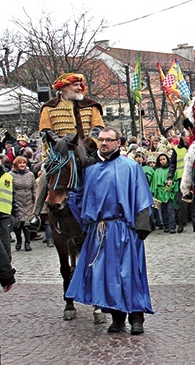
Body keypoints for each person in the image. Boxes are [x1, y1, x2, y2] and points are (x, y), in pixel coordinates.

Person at [65, 126, 154, 334]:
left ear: (118, 143)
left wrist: (142, 224)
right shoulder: (90, 170)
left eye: (108, 140)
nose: (104, 143)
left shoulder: (130, 167)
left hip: (124, 229)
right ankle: (117, 316)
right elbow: (78, 198)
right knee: (106, 275)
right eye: (101, 140)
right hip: (99, 232)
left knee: (129, 274)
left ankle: (136, 317)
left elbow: (142, 196)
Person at [28, 73, 104, 229]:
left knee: (106, 174)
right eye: (75, 84)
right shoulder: (49, 107)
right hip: (60, 153)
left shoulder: (92, 105)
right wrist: (60, 144)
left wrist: (88, 144)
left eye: (80, 84)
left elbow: (98, 128)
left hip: (88, 151)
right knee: (44, 177)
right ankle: (36, 215)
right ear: (63, 87)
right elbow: (46, 131)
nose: (79, 87)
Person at [10, 156, 36, 251]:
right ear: (16, 164)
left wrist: (35, 201)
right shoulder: (11, 175)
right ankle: (19, 240)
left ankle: (27, 242)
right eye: (20, 163)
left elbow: (34, 189)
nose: (22, 165)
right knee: (17, 225)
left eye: (24, 163)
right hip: (17, 202)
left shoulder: (30, 175)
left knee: (27, 224)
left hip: (28, 202)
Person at [0, 163, 18, 292]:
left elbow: (12, 196)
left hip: (4, 215)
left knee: (5, 247)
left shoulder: (7, 176)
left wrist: (15, 213)